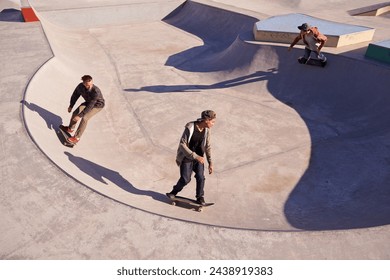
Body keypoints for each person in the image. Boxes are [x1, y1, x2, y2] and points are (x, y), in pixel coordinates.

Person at [166, 110, 216, 205]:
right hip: (187, 157)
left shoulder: (207, 130)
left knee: (201, 177)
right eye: (212, 122)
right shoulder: (190, 127)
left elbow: (208, 147)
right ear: (206, 120)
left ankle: (200, 197)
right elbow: (182, 144)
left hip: (199, 158)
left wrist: (210, 163)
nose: (213, 124)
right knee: (185, 179)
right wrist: (195, 156)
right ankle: (173, 192)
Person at [60, 75, 105, 144]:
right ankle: (70, 128)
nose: (89, 87)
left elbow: (90, 106)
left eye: (90, 85)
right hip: (88, 102)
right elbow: (75, 95)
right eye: (87, 85)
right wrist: (71, 106)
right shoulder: (80, 87)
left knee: (85, 118)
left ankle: (76, 138)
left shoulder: (96, 91)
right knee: (75, 112)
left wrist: (80, 116)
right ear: (83, 83)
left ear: (92, 82)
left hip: (97, 105)